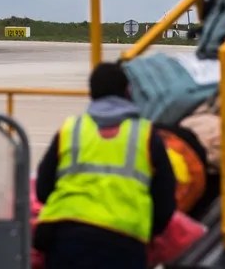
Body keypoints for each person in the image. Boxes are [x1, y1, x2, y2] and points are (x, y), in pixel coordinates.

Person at [33, 61, 177, 268]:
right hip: (123, 241)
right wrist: (148, 232)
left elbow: (42, 190)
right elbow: (165, 200)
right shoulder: (145, 135)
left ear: (91, 93)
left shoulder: (70, 129)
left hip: (66, 237)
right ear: (127, 91)